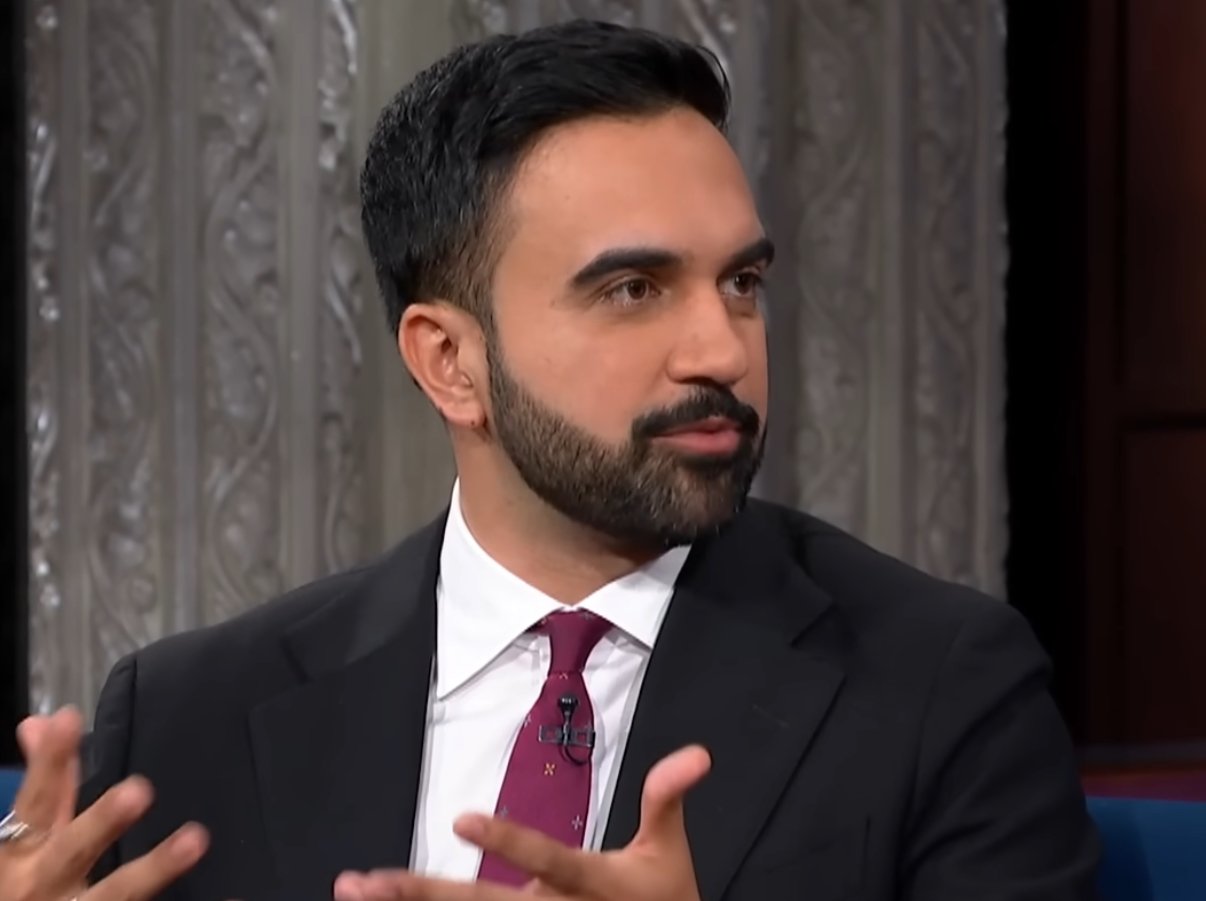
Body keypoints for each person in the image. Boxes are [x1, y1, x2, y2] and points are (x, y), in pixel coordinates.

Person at [0, 19, 1099, 901]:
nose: (723, 350)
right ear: (450, 362)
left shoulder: (941, 690)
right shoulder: (187, 719)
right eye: (633, 289)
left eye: (741, 283)